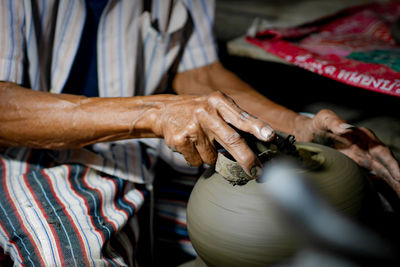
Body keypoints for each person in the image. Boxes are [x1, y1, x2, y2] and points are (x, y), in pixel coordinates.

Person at [0, 0, 399, 266]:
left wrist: (297, 126)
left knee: (334, 222)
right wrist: (155, 111)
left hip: (148, 148)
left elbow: (200, 74)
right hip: (31, 152)